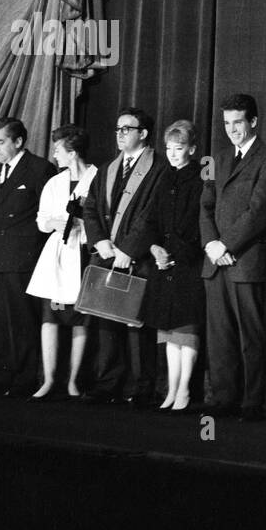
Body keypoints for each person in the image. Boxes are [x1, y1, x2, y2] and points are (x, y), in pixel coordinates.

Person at [200, 93, 266, 421]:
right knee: (219, 336)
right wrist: (211, 245)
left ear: (253, 122)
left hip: (245, 259)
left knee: (251, 335)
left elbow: (259, 211)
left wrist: (226, 245)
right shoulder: (216, 158)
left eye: (238, 122)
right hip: (215, 261)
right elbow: (205, 205)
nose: (232, 129)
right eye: (227, 123)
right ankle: (224, 398)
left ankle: (252, 401)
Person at [81, 107, 166, 406]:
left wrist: (128, 249)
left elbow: (152, 214)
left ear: (142, 133)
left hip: (137, 258)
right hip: (107, 253)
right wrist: (100, 241)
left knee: (135, 325)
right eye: (117, 129)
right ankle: (109, 382)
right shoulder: (108, 168)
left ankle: (142, 387)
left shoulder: (159, 169)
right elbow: (90, 207)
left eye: (126, 129)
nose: (119, 134)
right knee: (106, 322)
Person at [0, 117, 57, 395]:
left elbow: (48, 215)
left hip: (23, 258)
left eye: (0, 143)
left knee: (22, 321)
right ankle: (0, 376)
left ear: (18, 141)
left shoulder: (39, 169)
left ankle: (24, 379)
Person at [27, 125, 97, 399]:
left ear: (73, 152)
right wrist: (52, 223)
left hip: (84, 254)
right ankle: (49, 379)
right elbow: (41, 220)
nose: (54, 154)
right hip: (58, 256)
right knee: (51, 315)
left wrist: (84, 225)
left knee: (82, 318)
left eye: (58, 150)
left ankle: (73, 381)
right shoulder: (55, 182)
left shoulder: (97, 177)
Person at [143, 120, 206, 412]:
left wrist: (174, 253)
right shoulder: (164, 177)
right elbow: (152, 219)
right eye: (168, 148)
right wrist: (155, 248)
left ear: (191, 149)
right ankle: (171, 388)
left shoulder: (200, 179)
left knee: (185, 330)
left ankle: (184, 390)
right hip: (163, 263)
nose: (172, 153)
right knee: (168, 334)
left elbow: (198, 224)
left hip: (187, 264)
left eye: (178, 148)